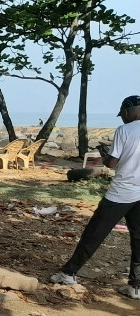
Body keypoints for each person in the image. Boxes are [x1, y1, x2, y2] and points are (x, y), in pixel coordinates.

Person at [51, 95, 140, 298]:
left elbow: (111, 164)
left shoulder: (125, 130)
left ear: (127, 112)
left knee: (95, 232)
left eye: (122, 115)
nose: (122, 119)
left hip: (122, 191)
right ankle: (136, 286)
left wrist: (105, 153)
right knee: (138, 237)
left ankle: (69, 272)